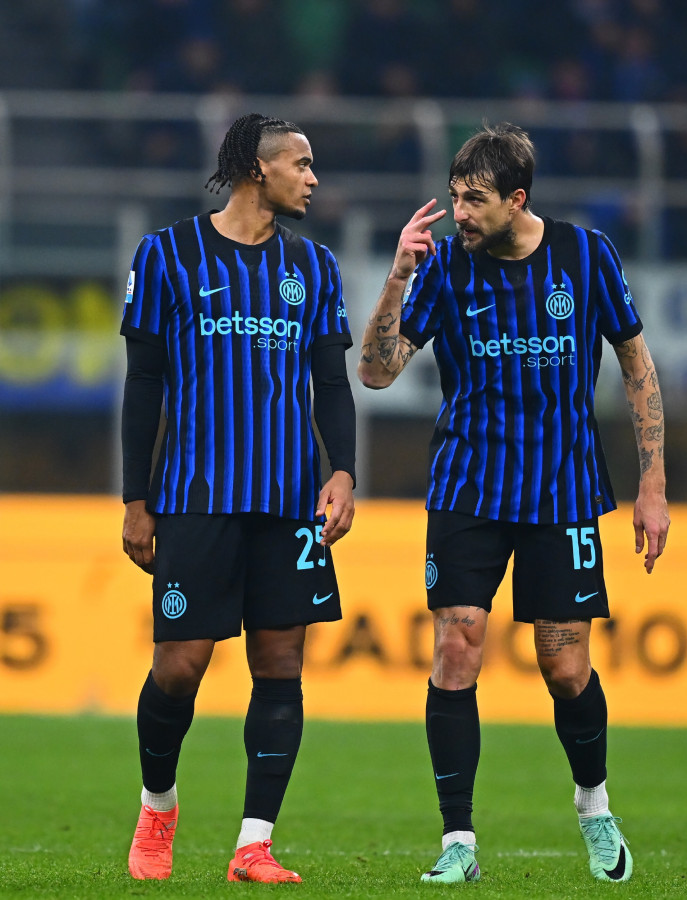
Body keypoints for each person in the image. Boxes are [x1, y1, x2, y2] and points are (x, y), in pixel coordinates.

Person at [357, 122, 669, 885]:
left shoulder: (585, 255)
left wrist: (652, 485)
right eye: (455, 197)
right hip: (468, 487)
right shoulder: (443, 266)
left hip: (562, 491)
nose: (459, 214)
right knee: (456, 647)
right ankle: (457, 840)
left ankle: (593, 808)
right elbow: (376, 371)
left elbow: (635, 364)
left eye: (474, 200)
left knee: (562, 666)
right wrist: (397, 276)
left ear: (516, 199)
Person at [120, 112, 356, 883]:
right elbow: (144, 382)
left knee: (281, 664)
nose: (312, 178)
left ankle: (254, 844)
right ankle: (158, 805)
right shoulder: (167, 255)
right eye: (301, 164)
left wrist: (343, 472)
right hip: (195, 497)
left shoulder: (314, 266)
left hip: (289, 501)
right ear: (259, 170)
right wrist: (135, 498)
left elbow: (331, 383)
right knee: (179, 666)